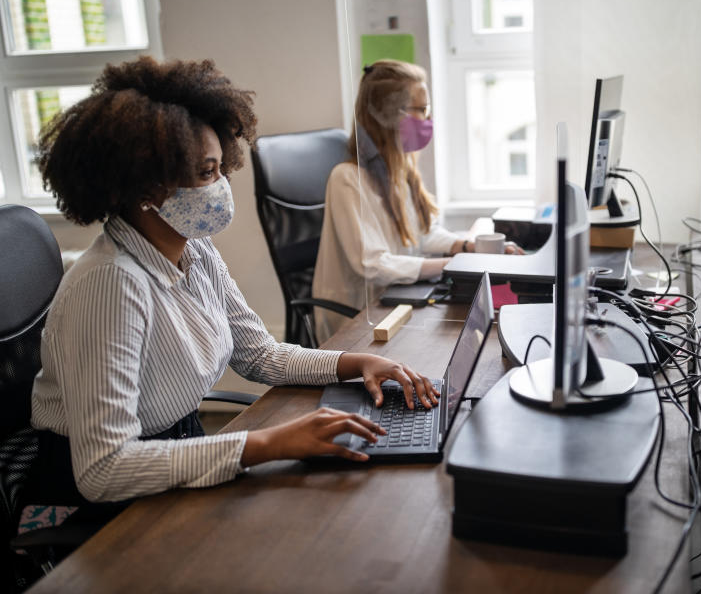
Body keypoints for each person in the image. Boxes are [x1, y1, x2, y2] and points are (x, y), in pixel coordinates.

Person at [26, 56, 440, 518]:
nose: (221, 186)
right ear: (145, 186)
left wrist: (356, 362)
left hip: (179, 451)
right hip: (100, 501)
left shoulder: (195, 250)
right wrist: (266, 443)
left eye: (221, 168)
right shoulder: (111, 284)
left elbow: (260, 355)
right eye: (206, 173)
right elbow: (103, 469)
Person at [312, 60, 521, 338]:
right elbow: (373, 264)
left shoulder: (401, 171)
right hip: (358, 319)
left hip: (396, 301)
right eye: (420, 110)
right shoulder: (347, 179)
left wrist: (471, 248)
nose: (427, 120)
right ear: (386, 115)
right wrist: (455, 264)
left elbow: (424, 235)